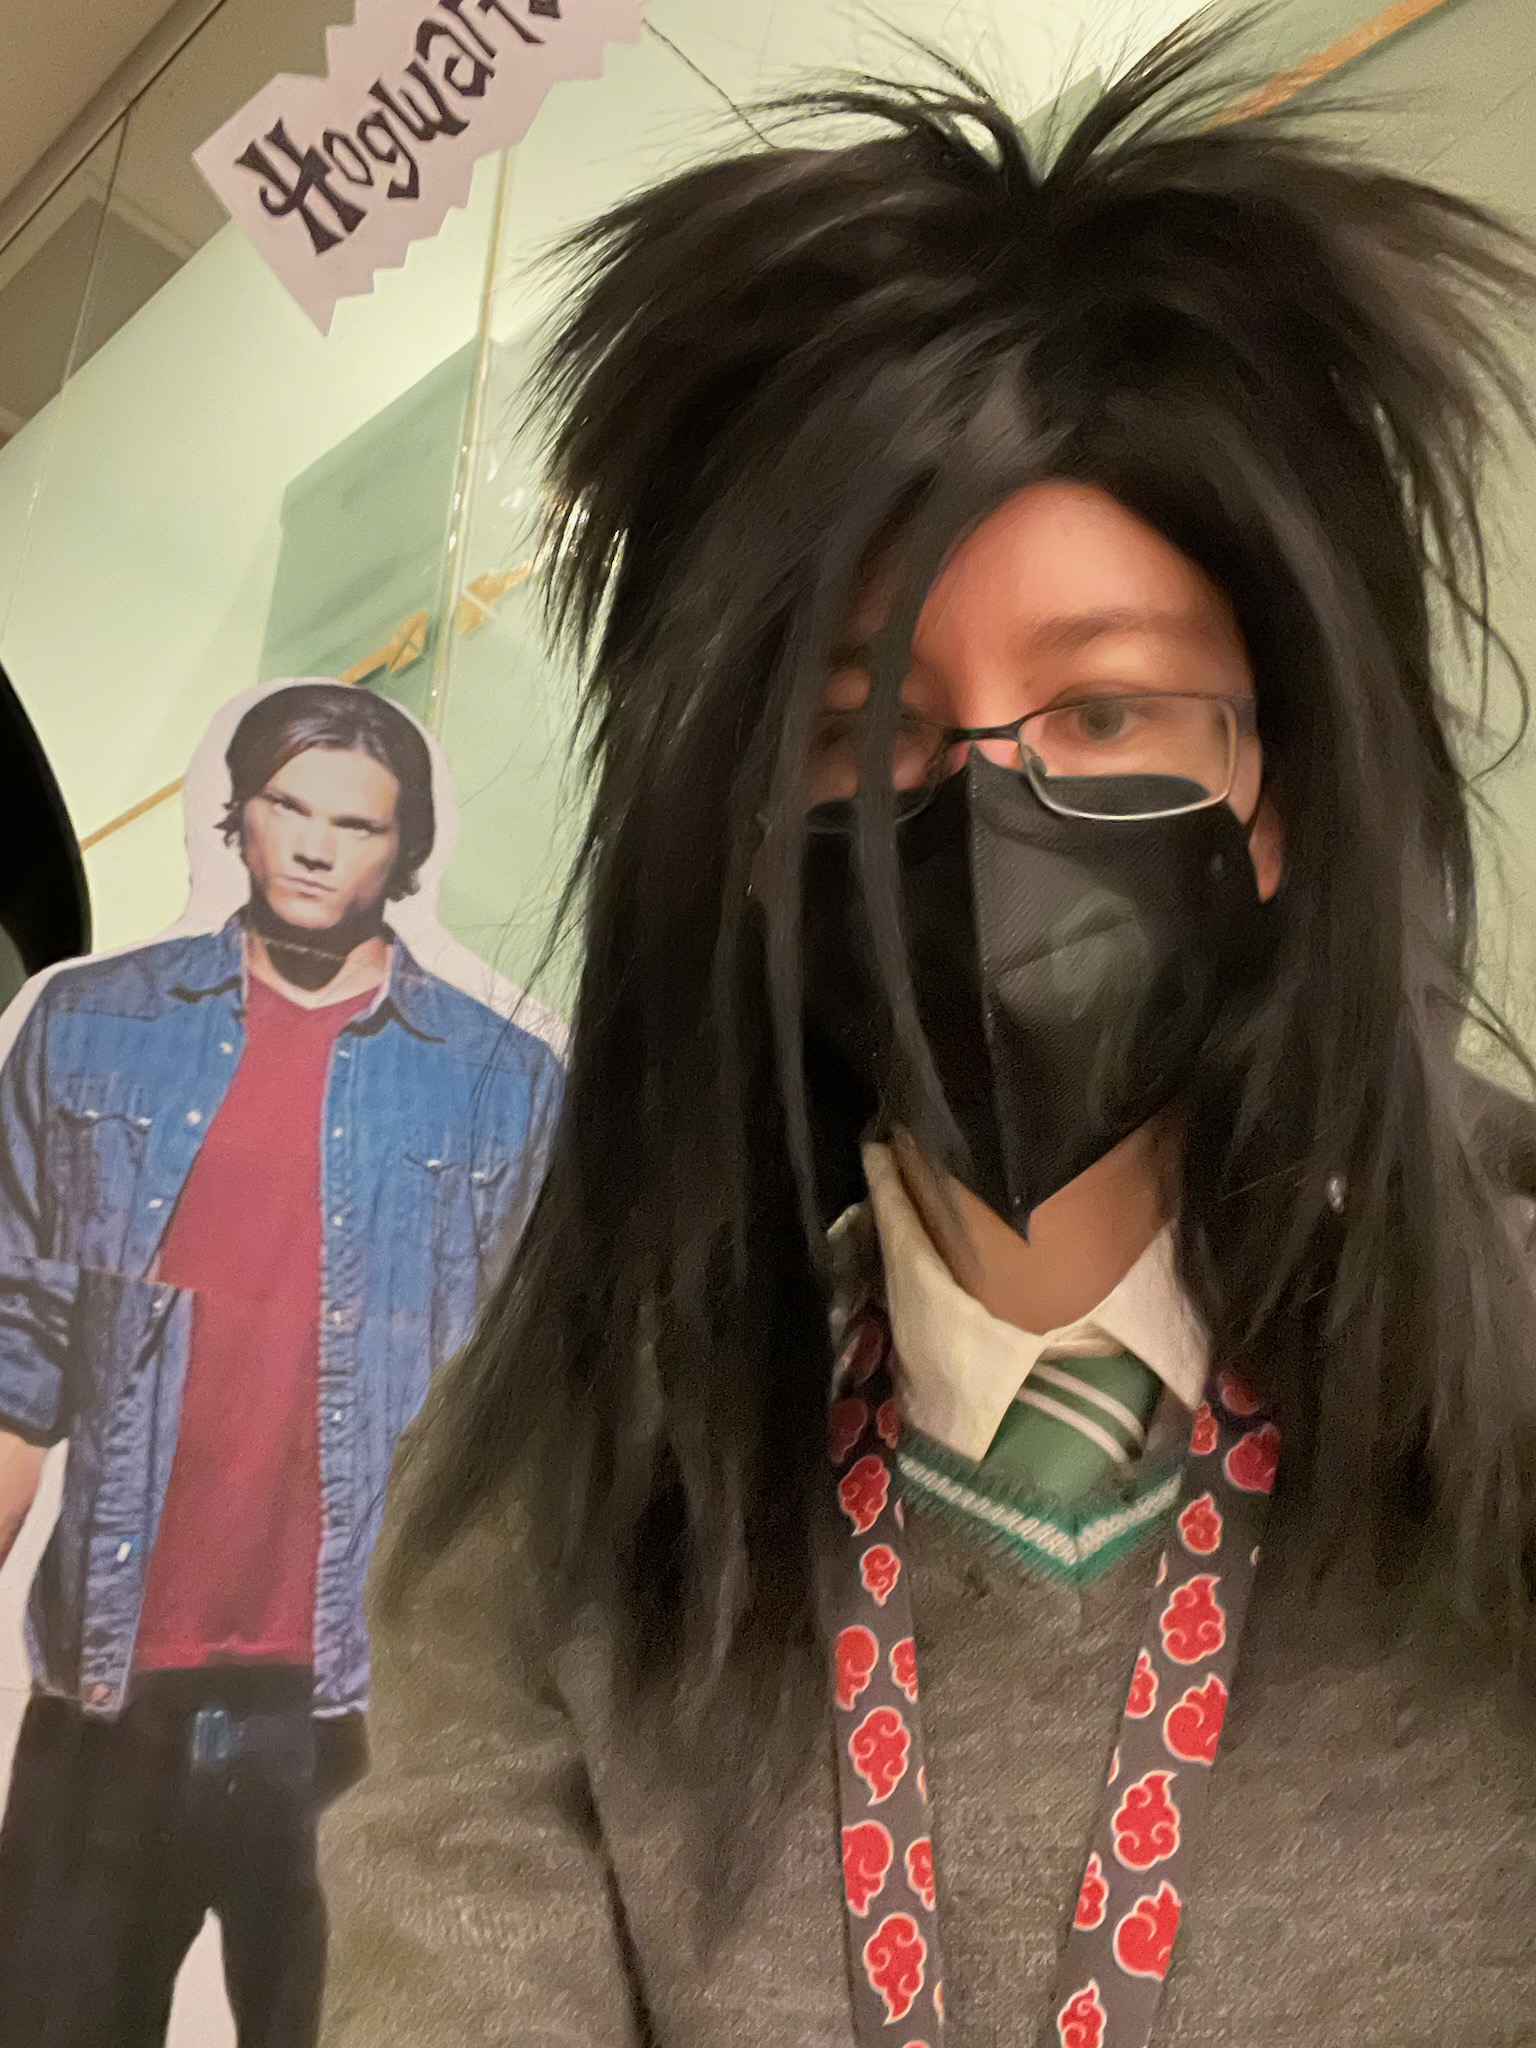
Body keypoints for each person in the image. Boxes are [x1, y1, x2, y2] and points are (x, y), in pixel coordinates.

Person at [317, 26, 1536, 2048]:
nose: (987, 811)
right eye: (863, 730)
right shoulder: (565, 1490)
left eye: (1107, 710)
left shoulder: (1496, 1384)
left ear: (1287, 793)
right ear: (739, 842)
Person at [0, 683, 561, 2048]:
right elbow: (18, 1353)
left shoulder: (506, 1080)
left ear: (405, 852)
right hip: (104, 1694)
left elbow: (526, 1430)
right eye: (289, 807)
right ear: (239, 816)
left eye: (356, 825)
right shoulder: (88, 1026)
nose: (314, 847)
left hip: (368, 1717)